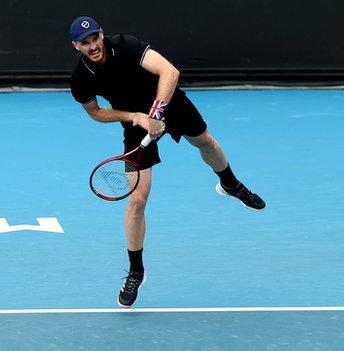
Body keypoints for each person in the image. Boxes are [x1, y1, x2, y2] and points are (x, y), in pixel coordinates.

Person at [68, 16, 266, 307]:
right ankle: (136, 270)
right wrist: (135, 117)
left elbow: (169, 72)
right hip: (136, 122)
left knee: (205, 142)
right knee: (136, 201)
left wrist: (157, 113)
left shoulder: (126, 45)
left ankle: (230, 184)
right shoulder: (81, 78)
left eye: (95, 37)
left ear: (101, 35)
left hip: (168, 102)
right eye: (85, 42)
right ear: (76, 46)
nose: (93, 45)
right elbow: (95, 112)